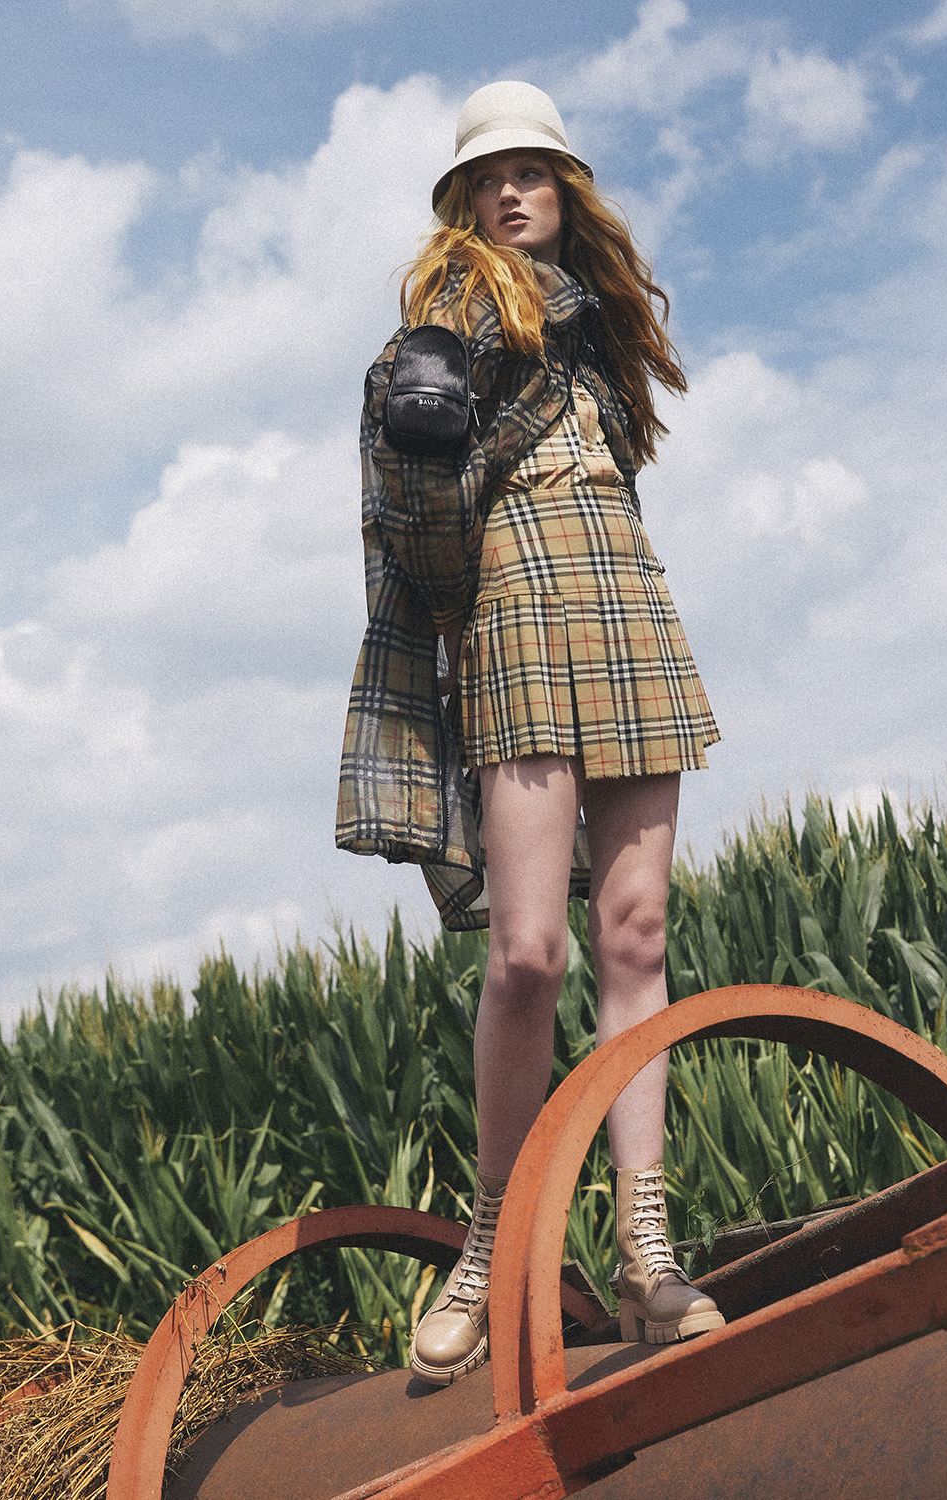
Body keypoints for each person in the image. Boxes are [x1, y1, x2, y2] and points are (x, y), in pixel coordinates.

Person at [337, 81, 723, 1386]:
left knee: (637, 933)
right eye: (490, 175)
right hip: (513, 610)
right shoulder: (445, 319)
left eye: (534, 171)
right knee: (526, 954)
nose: (513, 190)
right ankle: (492, 1243)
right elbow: (413, 489)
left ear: (567, 191)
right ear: (464, 199)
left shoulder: (602, 335)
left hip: (625, 599)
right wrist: (426, 417)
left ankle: (648, 1254)